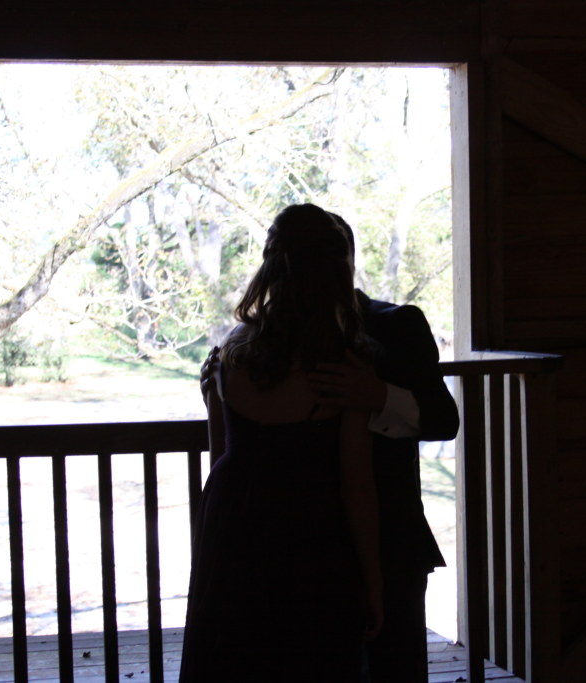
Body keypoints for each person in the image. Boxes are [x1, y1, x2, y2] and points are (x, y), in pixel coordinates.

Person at [200, 210, 460, 682]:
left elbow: (444, 420)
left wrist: (378, 395)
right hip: (313, 545)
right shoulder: (250, 348)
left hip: (385, 539)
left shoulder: (395, 325)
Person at [179, 204, 382, 682]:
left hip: (233, 530)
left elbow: (221, 456)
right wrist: (374, 585)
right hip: (311, 538)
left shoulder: (231, 351)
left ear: (270, 267)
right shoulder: (341, 365)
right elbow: (356, 484)